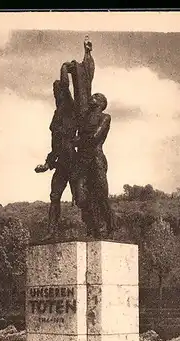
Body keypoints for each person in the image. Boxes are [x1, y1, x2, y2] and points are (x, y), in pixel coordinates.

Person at [35, 62, 77, 240]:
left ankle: (96, 227)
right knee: (54, 196)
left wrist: (64, 68)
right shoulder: (57, 113)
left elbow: (66, 86)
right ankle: (52, 231)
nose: (55, 95)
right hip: (60, 162)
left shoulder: (68, 106)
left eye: (57, 92)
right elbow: (55, 144)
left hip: (73, 160)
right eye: (54, 92)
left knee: (81, 198)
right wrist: (48, 163)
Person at [74, 92, 115, 238]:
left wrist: (78, 140)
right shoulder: (84, 119)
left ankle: (108, 225)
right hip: (82, 161)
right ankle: (93, 226)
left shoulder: (105, 117)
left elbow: (94, 137)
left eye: (95, 96)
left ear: (101, 103)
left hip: (96, 159)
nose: (92, 97)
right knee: (80, 197)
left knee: (101, 196)